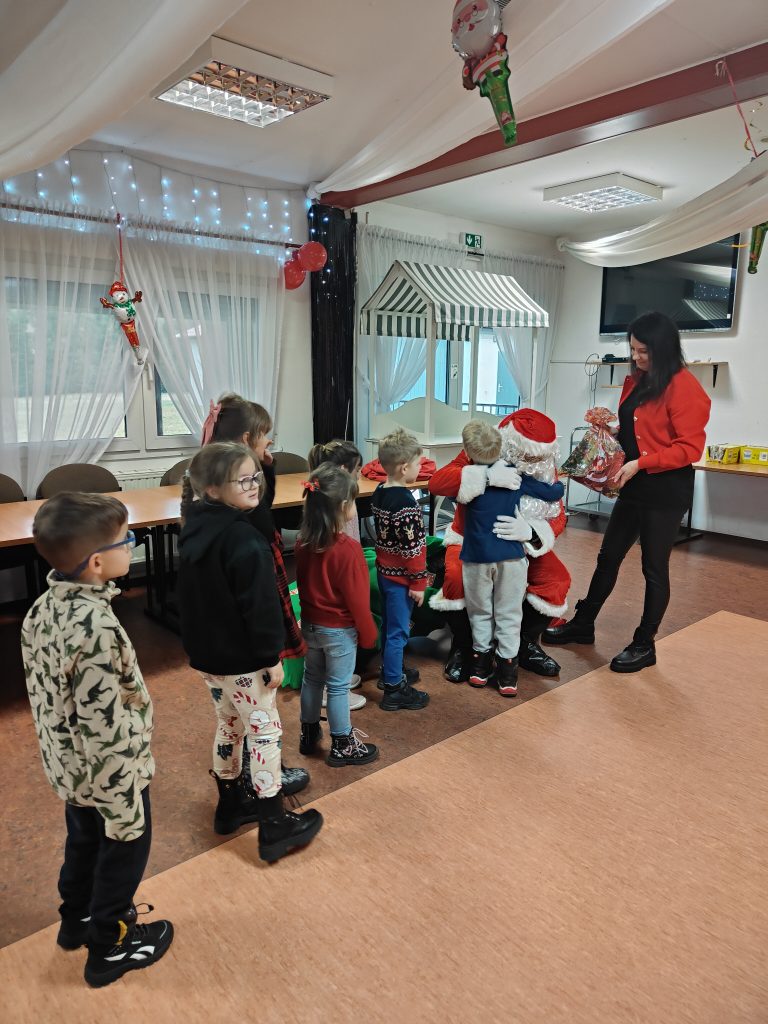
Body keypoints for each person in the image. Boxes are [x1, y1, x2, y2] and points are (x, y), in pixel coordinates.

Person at [20, 493, 173, 988]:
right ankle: (109, 944)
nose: (132, 546)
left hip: (69, 768)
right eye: (127, 541)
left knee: (83, 840)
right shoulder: (96, 628)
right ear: (98, 563)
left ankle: (76, 921)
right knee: (124, 848)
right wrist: (122, 802)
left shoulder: (41, 609)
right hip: (111, 772)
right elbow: (103, 723)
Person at [177, 442, 323, 862]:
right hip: (244, 660)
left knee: (229, 725)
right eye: (242, 480)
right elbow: (260, 608)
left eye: (254, 476)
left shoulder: (194, 527)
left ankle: (231, 805)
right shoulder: (243, 539)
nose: (253, 485)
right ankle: (274, 823)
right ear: (212, 488)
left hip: (210, 659)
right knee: (265, 733)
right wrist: (269, 657)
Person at [544, 311, 711, 671]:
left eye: (643, 351)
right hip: (634, 485)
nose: (636, 357)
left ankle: (644, 644)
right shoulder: (636, 381)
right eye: (633, 349)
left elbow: (690, 449)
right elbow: (637, 428)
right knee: (609, 556)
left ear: (664, 348)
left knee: (654, 567)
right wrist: (610, 429)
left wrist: (640, 463)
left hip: (665, 490)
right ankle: (584, 623)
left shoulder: (685, 387)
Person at [202, 393, 310, 793]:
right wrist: (268, 654)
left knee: (232, 714)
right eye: (266, 437)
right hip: (246, 636)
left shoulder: (217, 483)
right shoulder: (241, 513)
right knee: (260, 713)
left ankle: (238, 784)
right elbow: (266, 524)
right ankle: (263, 784)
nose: (271, 443)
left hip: (220, 639)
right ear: (247, 439)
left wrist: (266, 466)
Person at [429, 409, 572, 682]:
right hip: (471, 540)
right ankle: (464, 645)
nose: (532, 462)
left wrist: (531, 532)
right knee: (456, 577)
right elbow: (437, 482)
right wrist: (484, 476)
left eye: (537, 457)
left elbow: (558, 514)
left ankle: (523, 643)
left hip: (520, 547)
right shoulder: (484, 449)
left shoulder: (543, 466)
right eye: (527, 455)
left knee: (557, 580)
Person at [458, 421, 565, 695]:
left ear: (467, 451)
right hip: (511, 556)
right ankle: (508, 675)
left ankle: (480, 667)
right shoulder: (515, 474)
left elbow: (442, 487)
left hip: (477, 557)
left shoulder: (467, 479)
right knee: (509, 614)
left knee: (480, 612)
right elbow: (553, 492)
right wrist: (559, 481)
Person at [295, 464, 380, 766]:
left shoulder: (302, 542)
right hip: (339, 632)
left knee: (311, 679)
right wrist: (369, 633)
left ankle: (308, 734)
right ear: (344, 506)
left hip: (311, 626)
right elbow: (358, 601)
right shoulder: (349, 549)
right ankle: (343, 744)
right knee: (338, 687)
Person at [370, 428, 431, 711]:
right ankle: (394, 688)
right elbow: (413, 549)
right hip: (401, 580)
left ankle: (390, 671)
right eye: (419, 463)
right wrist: (418, 583)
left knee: (389, 627)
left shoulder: (380, 491)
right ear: (405, 467)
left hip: (384, 573)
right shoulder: (406, 503)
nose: (421, 468)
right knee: (398, 632)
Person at [306, 438, 367, 709]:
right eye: (358, 470)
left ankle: (334, 681)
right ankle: (333, 692)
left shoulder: (320, 515)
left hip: (317, 611)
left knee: (321, 660)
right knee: (335, 650)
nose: (360, 475)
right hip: (336, 610)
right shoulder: (341, 521)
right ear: (344, 470)